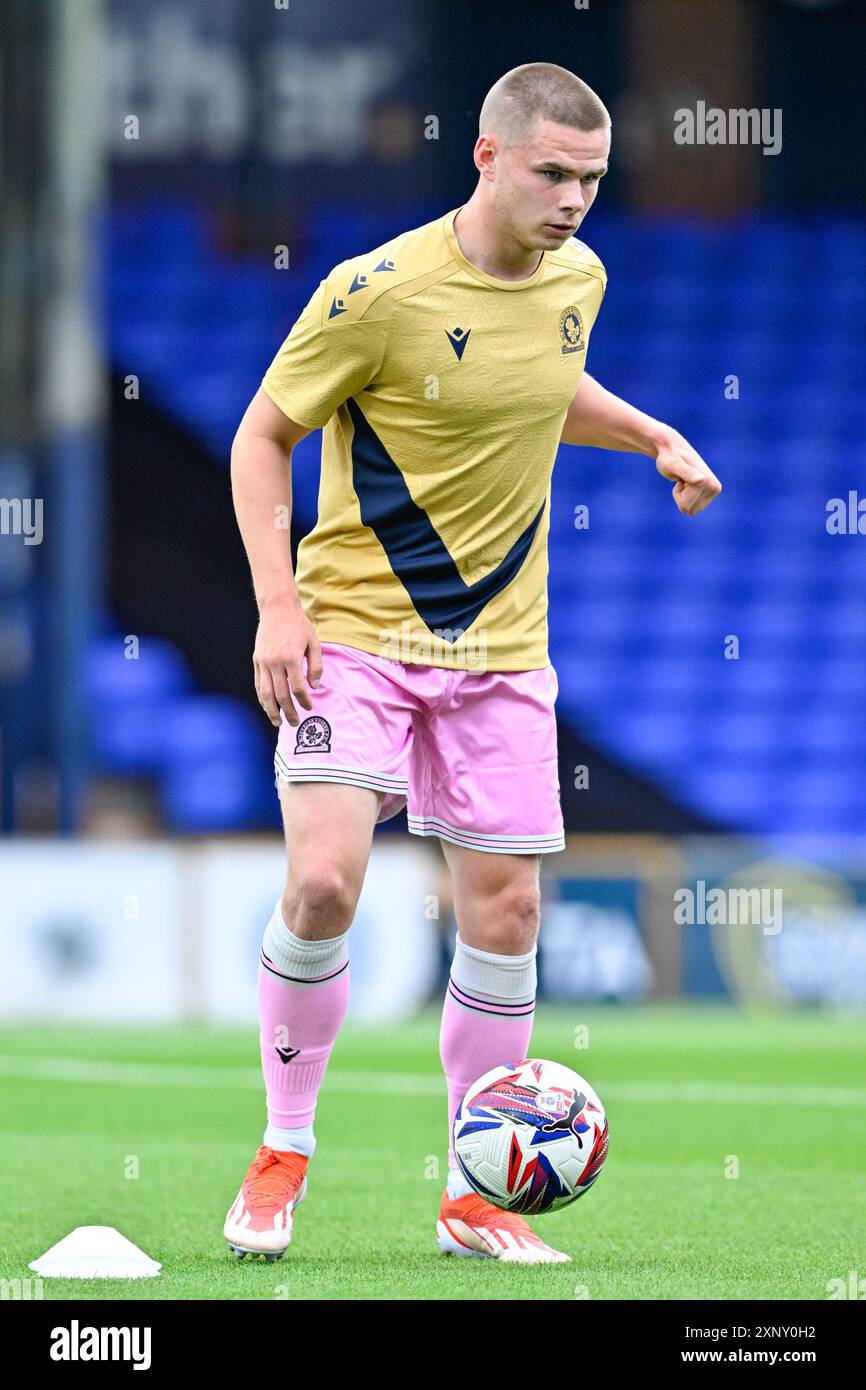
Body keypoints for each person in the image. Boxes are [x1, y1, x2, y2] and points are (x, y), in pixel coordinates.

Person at [224, 62, 721, 1265]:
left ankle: (472, 1194)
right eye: (552, 173)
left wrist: (649, 430)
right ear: (487, 158)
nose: (572, 201)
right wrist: (276, 608)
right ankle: (284, 1148)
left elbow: (539, 391)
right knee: (325, 884)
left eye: (592, 180)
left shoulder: (581, 279)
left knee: (505, 911)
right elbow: (262, 435)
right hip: (351, 635)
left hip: (503, 654)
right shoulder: (373, 293)